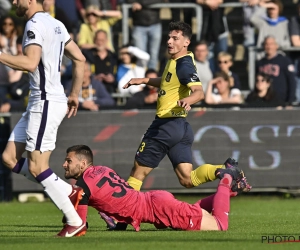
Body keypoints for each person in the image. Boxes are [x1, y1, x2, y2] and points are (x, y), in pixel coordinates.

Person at [122, 22, 251, 198]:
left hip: (165, 126)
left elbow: (199, 92)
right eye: (169, 37)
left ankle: (121, 215)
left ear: (186, 42)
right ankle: (226, 170)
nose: (169, 41)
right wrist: (144, 80)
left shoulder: (184, 65)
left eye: (175, 38)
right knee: (187, 179)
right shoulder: (176, 60)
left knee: (138, 173)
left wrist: (187, 100)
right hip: (180, 127)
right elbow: (168, 81)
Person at [0, 0, 87, 237]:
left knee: (38, 167)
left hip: (45, 102)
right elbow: (80, 58)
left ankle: (74, 221)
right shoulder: (56, 23)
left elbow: (29, 63)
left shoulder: (34, 24)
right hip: (45, 101)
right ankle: (67, 191)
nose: (14, 3)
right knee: (9, 157)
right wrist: (74, 94)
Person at [62, 145, 250, 233]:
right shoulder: (103, 170)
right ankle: (229, 192)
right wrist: (118, 227)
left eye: (69, 161)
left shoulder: (83, 187)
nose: (64, 164)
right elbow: (123, 202)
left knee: (219, 225)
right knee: (199, 210)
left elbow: (79, 226)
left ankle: (227, 176)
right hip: (155, 202)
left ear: (82, 163)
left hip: (158, 208)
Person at [256, 36, 296, 105]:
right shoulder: (260, 63)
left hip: (282, 100)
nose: (269, 47)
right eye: (266, 44)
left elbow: (291, 81)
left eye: (271, 44)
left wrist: (290, 100)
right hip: (265, 101)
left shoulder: (285, 61)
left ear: (276, 46)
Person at [126, 0, 162, 70]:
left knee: (154, 53)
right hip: (138, 25)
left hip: (155, 24)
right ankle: (142, 75)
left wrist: (141, 4)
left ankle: (151, 74)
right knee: (140, 54)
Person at [82, 29, 118, 94]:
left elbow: (118, 74)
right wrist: (93, 78)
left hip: (110, 90)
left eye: (102, 40)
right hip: (92, 90)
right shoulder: (86, 55)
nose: (100, 43)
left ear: (107, 41)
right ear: (94, 40)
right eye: (98, 40)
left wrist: (113, 78)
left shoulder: (113, 57)